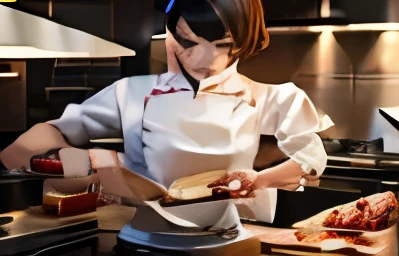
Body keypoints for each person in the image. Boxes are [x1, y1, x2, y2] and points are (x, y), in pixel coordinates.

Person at [0, 0, 333, 222]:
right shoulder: (131, 92)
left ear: (246, 40)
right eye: (189, 42)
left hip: (230, 242)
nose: (202, 59)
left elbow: (311, 161)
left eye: (221, 44)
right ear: (173, 35)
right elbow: (52, 133)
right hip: (139, 238)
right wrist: (38, 159)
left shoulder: (273, 98)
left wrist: (259, 179)